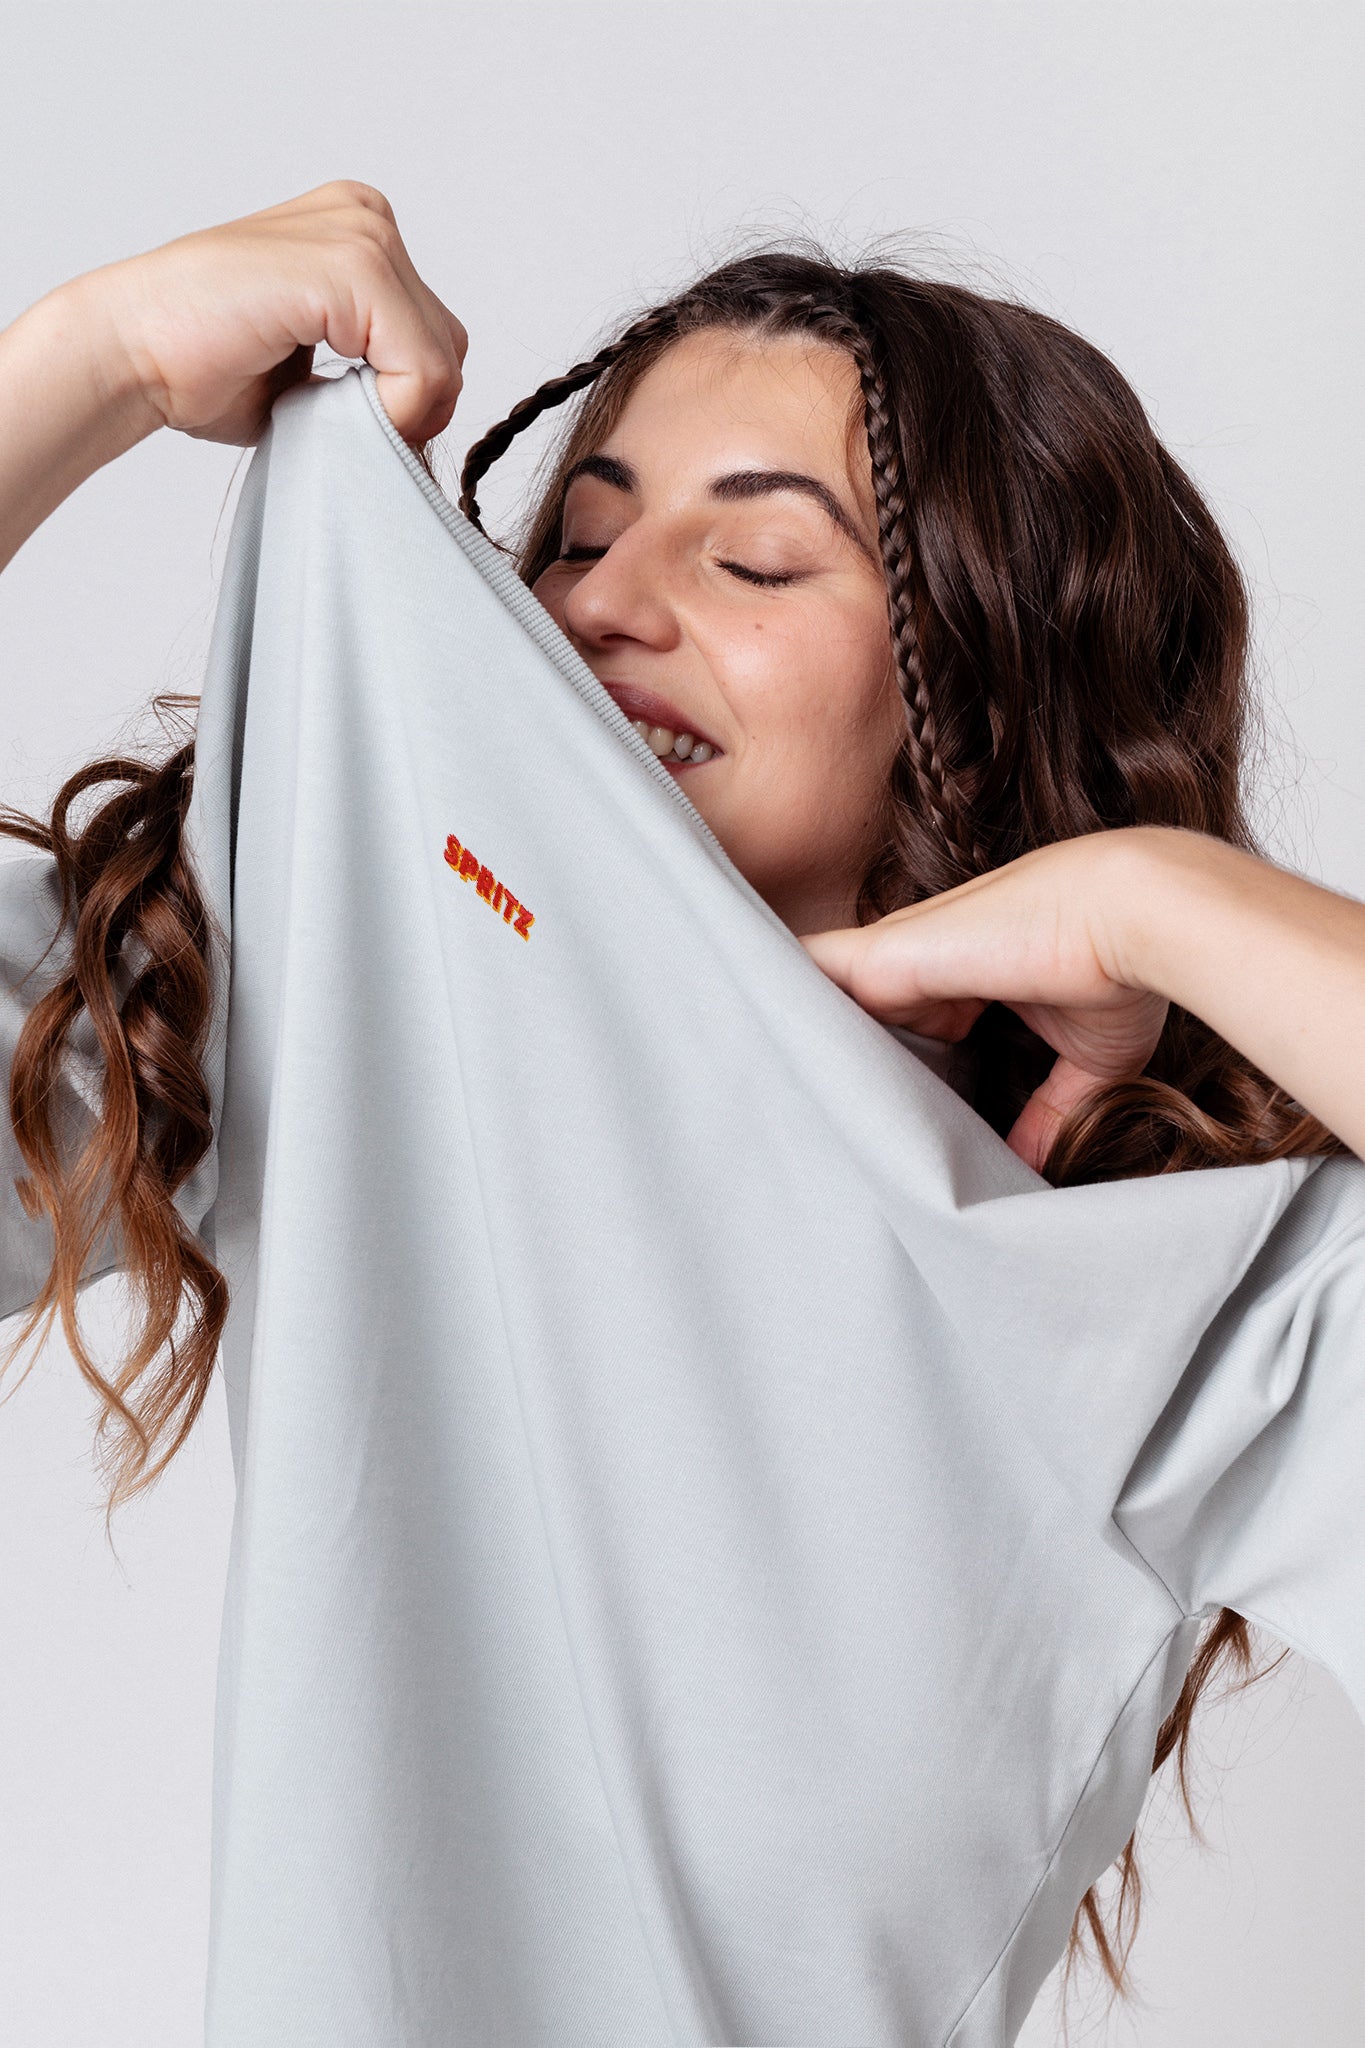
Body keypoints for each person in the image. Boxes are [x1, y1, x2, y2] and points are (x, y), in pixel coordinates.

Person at [1, 179, 1363, 2009]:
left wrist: (1163, 904)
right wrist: (84, 362)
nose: (601, 607)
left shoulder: (1146, 1309)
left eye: (757, 563)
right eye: (574, 540)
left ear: (975, 695)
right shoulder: (313, 1017)